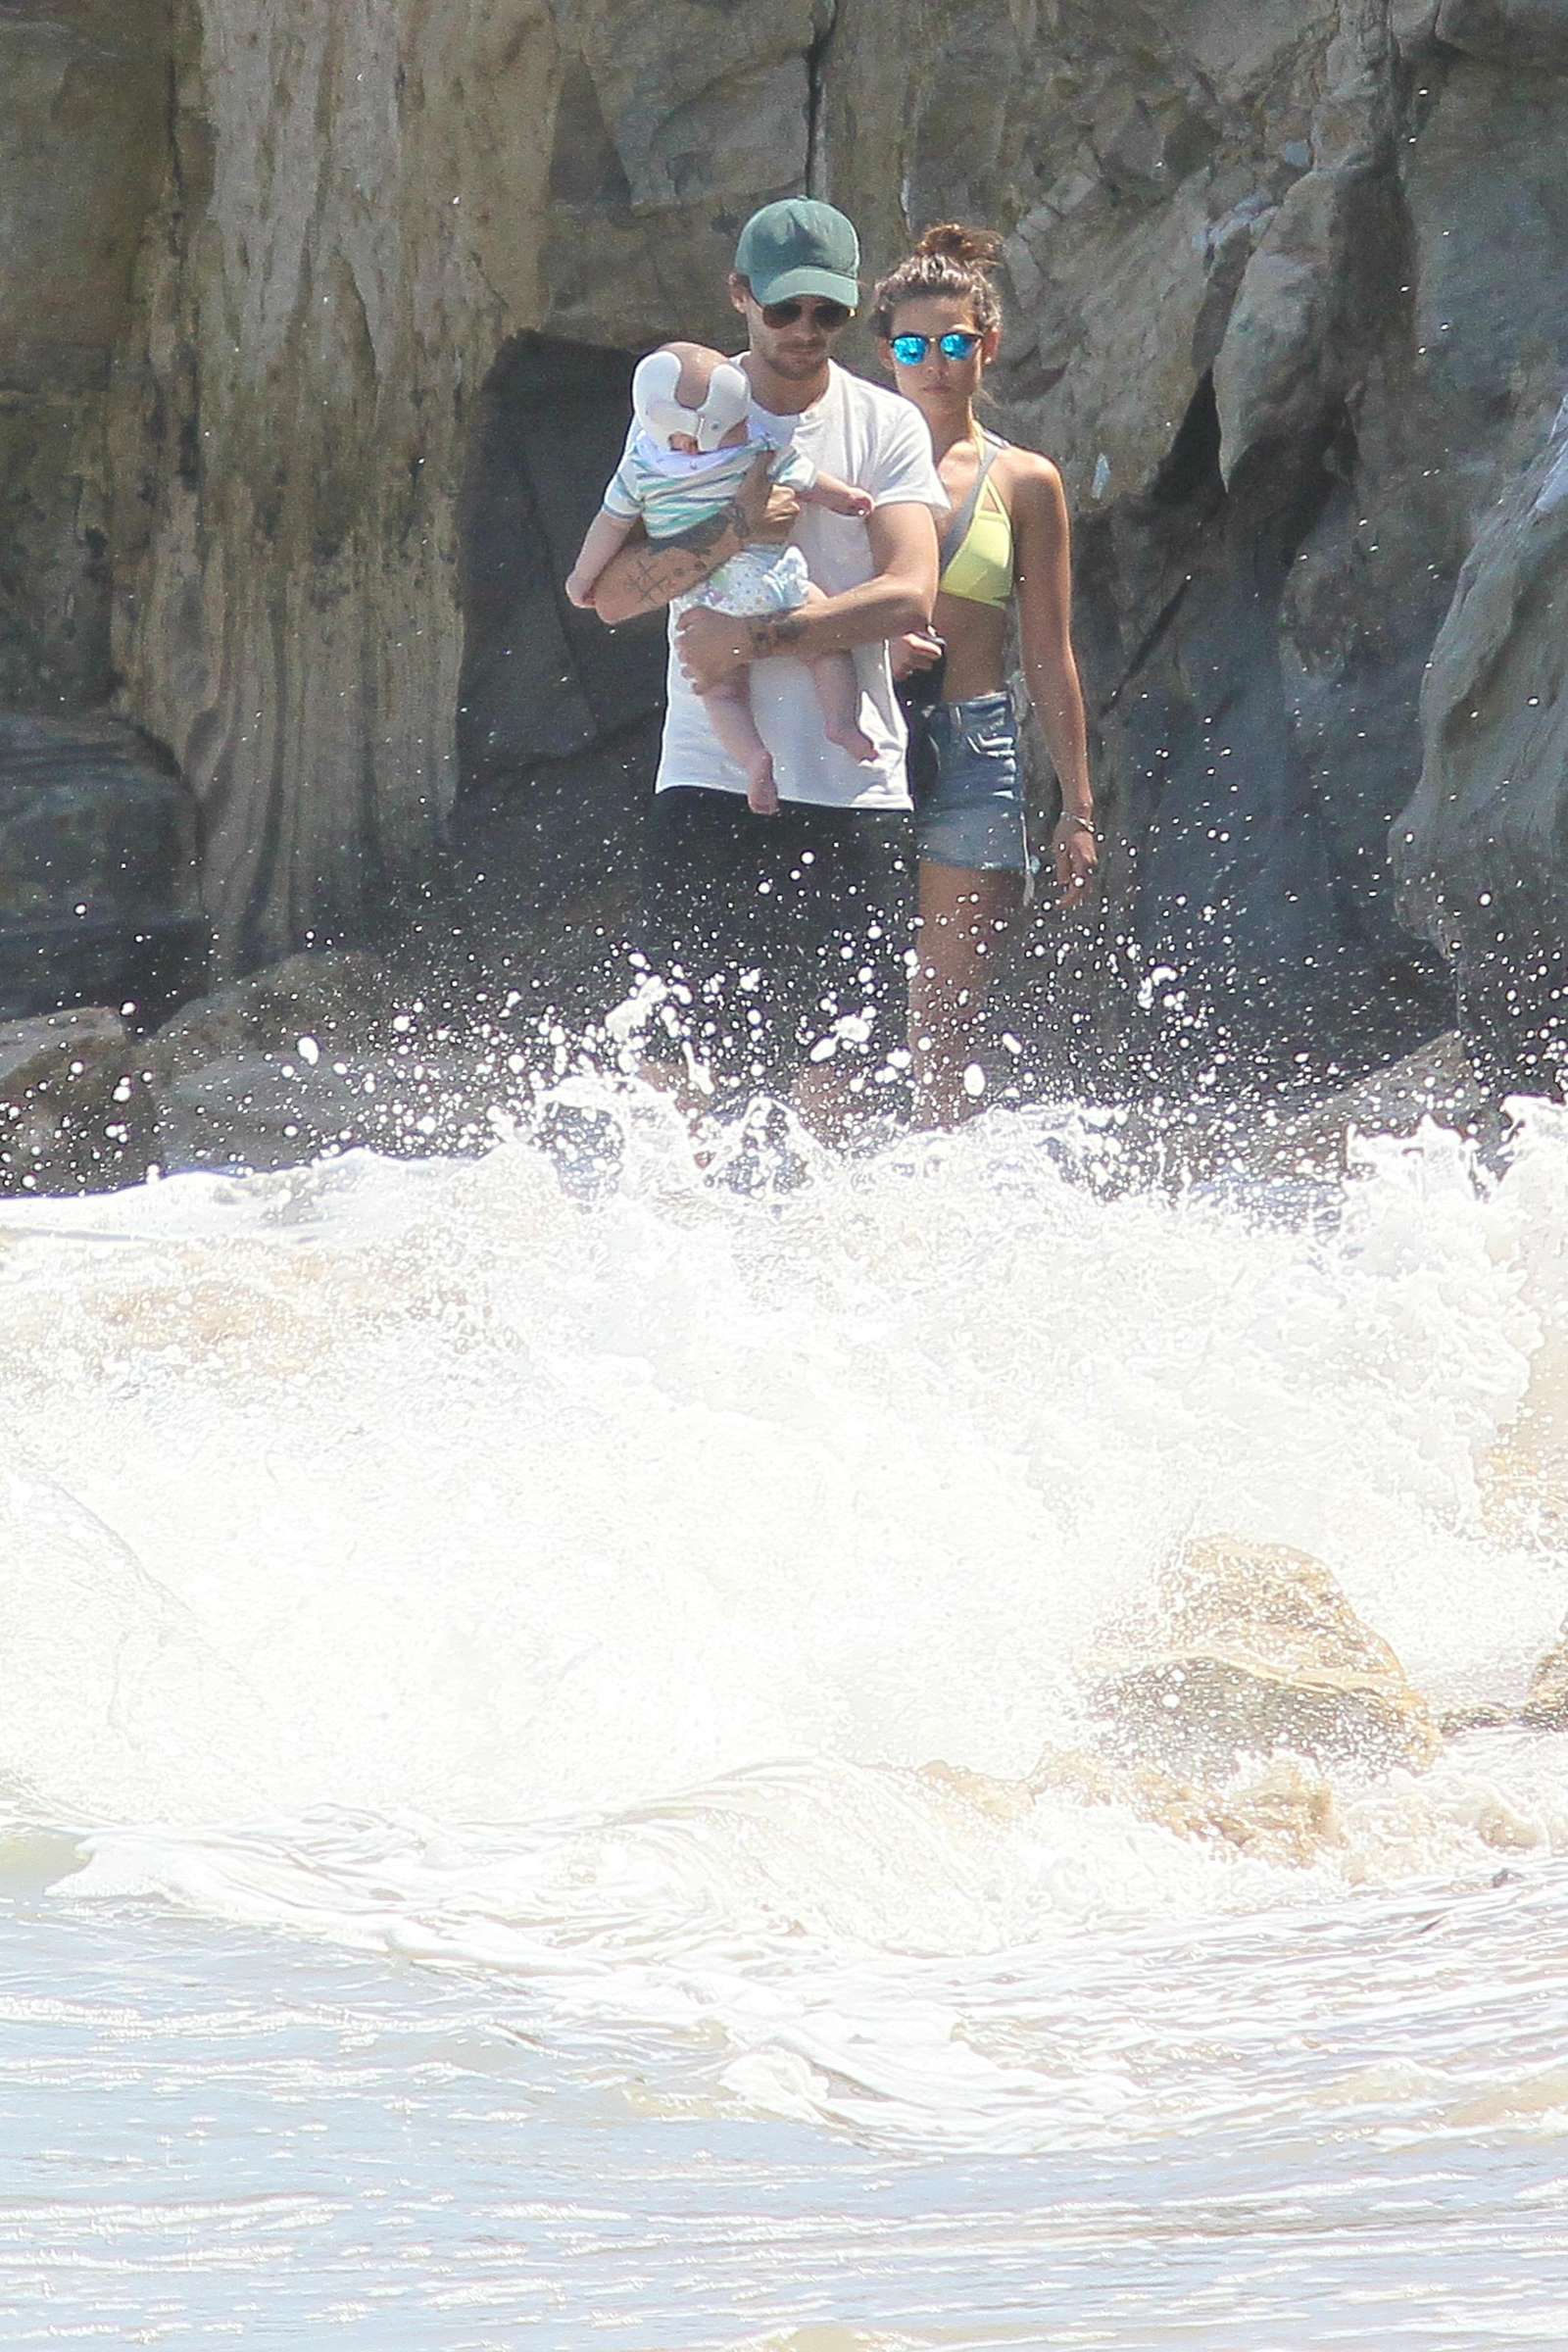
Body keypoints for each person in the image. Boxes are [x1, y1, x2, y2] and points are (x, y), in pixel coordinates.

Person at [587, 199, 947, 1139]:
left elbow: (911, 592)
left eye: (827, 313)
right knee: (671, 1072)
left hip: (853, 787)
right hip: (708, 776)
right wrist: (743, 524)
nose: (805, 333)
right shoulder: (677, 414)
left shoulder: (884, 425)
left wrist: (751, 643)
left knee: (841, 1077)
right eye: (785, 310)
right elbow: (609, 596)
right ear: (740, 296)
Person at [870, 224, 1098, 1129]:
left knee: (945, 1023)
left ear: (986, 347)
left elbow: (1049, 650)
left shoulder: (1026, 481)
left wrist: (1076, 808)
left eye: (955, 343)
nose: (935, 363)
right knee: (837, 1002)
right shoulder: (846, 462)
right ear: (885, 354)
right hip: (857, 736)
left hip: (971, 743)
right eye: (914, 347)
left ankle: (935, 1199)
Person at [564, 341, 878, 818]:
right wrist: (845, 499)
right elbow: (808, 478)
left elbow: (608, 525)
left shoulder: (642, 467)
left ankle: (753, 758)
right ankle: (841, 723)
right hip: (772, 579)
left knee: (720, 692)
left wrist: (582, 577)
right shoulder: (753, 446)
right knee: (826, 646)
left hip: (704, 599)